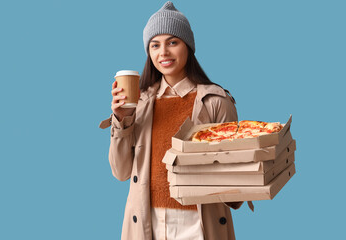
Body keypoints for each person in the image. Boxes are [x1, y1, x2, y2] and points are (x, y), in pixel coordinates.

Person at [104, 2, 245, 239]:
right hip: (147, 223)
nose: (163, 53)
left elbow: (234, 183)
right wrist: (121, 120)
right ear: (148, 52)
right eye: (155, 45)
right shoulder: (140, 103)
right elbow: (120, 172)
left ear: (188, 47)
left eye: (173, 42)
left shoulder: (215, 101)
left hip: (199, 223)